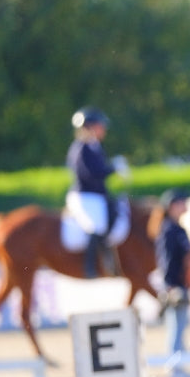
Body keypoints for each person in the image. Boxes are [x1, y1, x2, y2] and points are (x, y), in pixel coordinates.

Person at [65, 107, 129, 278]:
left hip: (96, 197)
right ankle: (90, 268)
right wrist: (113, 168)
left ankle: (111, 263)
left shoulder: (95, 146)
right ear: (90, 127)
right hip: (85, 197)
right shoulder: (81, 148)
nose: (104, 130)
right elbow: (91, 173)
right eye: (100, 126)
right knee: (97, 226)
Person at [155, 187, 190, 355]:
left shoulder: (177, 228)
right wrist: (169, 284)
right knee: (176, 327)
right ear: (172, 206)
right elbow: (166, 260)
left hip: (181, 283)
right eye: (181, 202)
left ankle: (179, 363)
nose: (185, 205)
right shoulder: (169, 229)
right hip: (174, 284)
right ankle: (175, 365)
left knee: (182, 324)